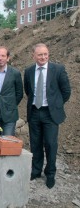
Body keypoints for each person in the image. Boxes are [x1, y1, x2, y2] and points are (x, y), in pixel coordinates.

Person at [24, 43, 71, 189]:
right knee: (35, 143)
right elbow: (28, 91)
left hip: (50, 114)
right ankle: (36, 170)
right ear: (34, 56)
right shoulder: (29, 71)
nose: (43, 57)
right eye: (40, 54)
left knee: (51, 144)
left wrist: (55, 105)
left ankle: (50, 174)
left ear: (48, 54)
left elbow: (66, 91)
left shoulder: (58, 69)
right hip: (34, 112)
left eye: (45, 54)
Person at [0, 46, 23, 135]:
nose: (0, 58)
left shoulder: (15, 73)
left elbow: (19, 93)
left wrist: (10, 105)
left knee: (8, 142)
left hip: (9, 114)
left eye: (3, 56)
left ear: (8, 58)